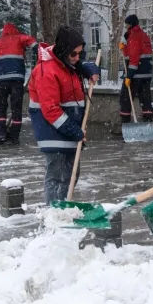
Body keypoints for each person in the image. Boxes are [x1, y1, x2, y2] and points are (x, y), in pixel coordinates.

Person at [28, 26, 99, 204]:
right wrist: (74, 131)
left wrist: (88, 67)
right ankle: (55, 211)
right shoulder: (46, 71)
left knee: (71, 175)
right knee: (58, 175)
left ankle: (64, 207)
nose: (77, 58)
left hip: (68, 129)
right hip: (53, 131)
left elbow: (77, 66)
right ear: (63, 51)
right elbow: (51, 109)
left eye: (80, 54)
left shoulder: (66, 64)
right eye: (73, 54)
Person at [0, 22, 36, 144]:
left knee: (1, 108)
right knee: (16, 108)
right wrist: (36, 48)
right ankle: (14, 135)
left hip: (1, 80)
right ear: (14, 30)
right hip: (16, 79)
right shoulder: (18, 38)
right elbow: (30, 40)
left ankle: (1, 134)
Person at [119, 15, 153, 124]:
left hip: (136, 74)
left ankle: (125, 123)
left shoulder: (134, 37)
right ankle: (148, 122)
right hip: (146, 74)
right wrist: (124, 47)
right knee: (145, 99)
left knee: (125, 98)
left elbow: (134, 59)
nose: (125, 26)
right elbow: (134, 54)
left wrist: (129, 76)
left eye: (127, 24)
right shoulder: (143, 35)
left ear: (131, 24)